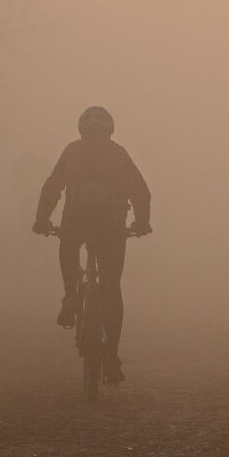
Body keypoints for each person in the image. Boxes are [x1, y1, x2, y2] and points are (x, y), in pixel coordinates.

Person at [33, 106, 152, 383]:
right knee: (111, 288)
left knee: (68, 246)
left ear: (82, 129)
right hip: (111, 228)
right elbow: (140, 190)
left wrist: (41, 220)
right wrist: (142, 222)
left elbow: (52, 187)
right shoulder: (118, 153)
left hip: (76, 222)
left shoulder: (73, 150)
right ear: (109, 130)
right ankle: (110, 356)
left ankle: (71, 294)